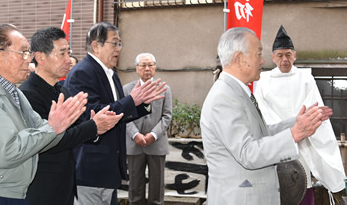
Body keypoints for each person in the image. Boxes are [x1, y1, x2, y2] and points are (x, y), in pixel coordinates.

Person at [0, 24, 86, 204]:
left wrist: (59, 124)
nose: (28, 60)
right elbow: (6, 153)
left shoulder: (15, 93)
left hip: (12, 194)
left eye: (28, 53)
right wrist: (53, 126)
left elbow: (43, 136)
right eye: (23, 52)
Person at [200, 27, 330, 205]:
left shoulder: (238, 91)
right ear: (239, 59)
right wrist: (293, 134)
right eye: (258, 53)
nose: (262, 60)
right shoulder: (224, 97)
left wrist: (296, 123)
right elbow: (248, 152)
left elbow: (263, 133)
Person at [64, 22, 167, 205]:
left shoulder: (110, 73)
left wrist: (142, 104)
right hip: (91, 168)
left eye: (120, 44)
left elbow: (120, 111)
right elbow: (95, 115)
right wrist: (131, 100)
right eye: (115, 43)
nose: (119, 49)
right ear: (96, 45)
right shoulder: (83, 72)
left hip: (107, 167)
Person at [20, 27, 123, 205]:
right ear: (40, 58)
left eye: (69, 52)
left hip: (67, 183)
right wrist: (93, 127)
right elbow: (51, 140)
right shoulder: (28, 95)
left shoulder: (62, 90)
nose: (68, 60)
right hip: (41, 187)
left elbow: (76, 132)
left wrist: (95, 128)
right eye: (61, 54)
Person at [254, 25, 345, 204]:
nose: (284, 59)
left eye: (288, 54)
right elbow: (263, 114)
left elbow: (313, 109)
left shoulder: (306, 79)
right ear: (273, 58)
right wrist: (290, 131)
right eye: (280, 55)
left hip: (303, 143)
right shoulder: (263, 81)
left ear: (294, 55)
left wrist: (305, 127)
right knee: (276, 187)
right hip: (277, 144)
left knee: (302, 183)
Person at [123, 53, 172, 205]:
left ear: (155, 67)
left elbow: (167, 116)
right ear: (136, 68)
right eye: (143, 65)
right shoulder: (126, 89)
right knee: (135, 187)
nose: (147, 69)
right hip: (134, 144)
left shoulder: (164, 89)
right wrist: (135, 134)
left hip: (156, 144)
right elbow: (123, 116)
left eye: (150, 65)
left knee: (157, 188)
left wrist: (153, 134)